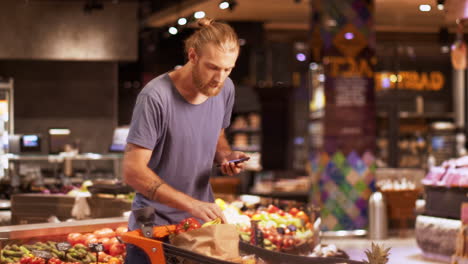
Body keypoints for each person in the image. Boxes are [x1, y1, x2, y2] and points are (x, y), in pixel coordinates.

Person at [123, 18, 248, 263]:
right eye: (212, 67)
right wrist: (192, 204)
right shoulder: (155, 97)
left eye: (228, 69)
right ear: (193, 56)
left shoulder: (225, 89)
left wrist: (225, 155)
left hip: (199, 226)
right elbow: (132, 171)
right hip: (151, 224)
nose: (219, 78)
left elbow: (217, 134)